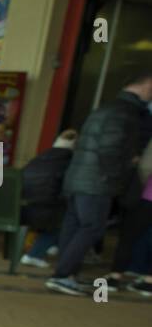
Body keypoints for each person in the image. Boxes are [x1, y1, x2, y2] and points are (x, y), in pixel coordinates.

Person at [47, 73, 152, 296]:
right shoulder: (126, 112)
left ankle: (66, 275)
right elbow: (110, 149)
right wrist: (124, 169)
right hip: (97, 181)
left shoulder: (106, 108)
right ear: (146, 86)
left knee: (74, 226)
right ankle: (63, 275)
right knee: (91, 227)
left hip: (79, 177)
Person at [18, 130, 75, 268]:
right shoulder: (69, 161)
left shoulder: (39, 157)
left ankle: (50, 246)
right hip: (44, 210)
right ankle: (34, 254)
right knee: (68, 219)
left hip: (22, 207)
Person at [105, 135, 152, 294]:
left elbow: (145, 166)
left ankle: (115, 277)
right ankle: (148, 281)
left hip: (147, 196)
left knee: (128, 237)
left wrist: (141, 185)